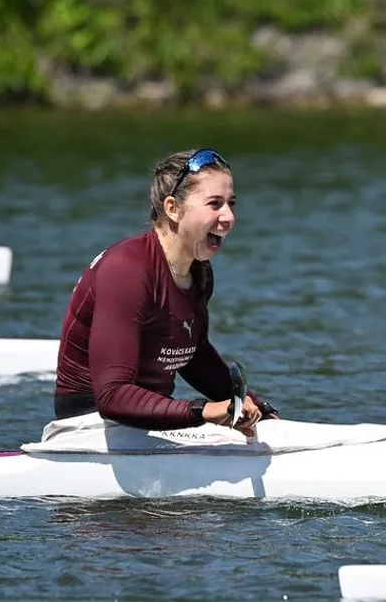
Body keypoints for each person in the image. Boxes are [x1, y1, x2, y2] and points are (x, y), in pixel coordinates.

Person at [54, 148, 274, 437]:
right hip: (89, 427)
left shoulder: (199, 271)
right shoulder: (127, 270)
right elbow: (112, 396)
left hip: (150, 425)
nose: (229, 217)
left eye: (231, 204)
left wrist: (258, 411)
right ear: (172, 208)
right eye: (214, 204)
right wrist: (204, 411)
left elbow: (192, 355)